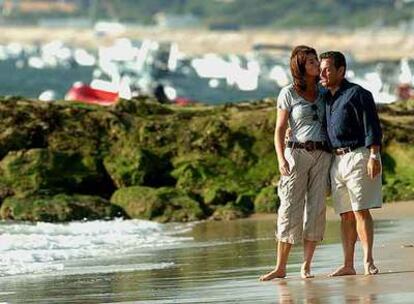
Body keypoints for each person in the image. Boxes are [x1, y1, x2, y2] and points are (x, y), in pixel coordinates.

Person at [260, 45, 332, 280]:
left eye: (316, 60)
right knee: (289, 208)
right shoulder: (288, 93)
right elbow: (280, 129)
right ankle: (280, 267)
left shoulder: (324, 91)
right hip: (296, 154)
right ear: (301, 67)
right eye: (311, 61)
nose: (316, 64)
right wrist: (281, 158)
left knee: (316, 209)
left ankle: (306, 265)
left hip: (322, 154)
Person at [319, 51, 383, 276]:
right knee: (345, 213)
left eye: (327, 69)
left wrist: (374, 155)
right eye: (321, 69)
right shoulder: (325, 97)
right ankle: (348, 264)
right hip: (336, 160)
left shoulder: (358, 94)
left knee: (359, 210)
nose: (322, 73)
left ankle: (368, 261)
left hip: (359, 154)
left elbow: (372, 126)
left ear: (341, 71)